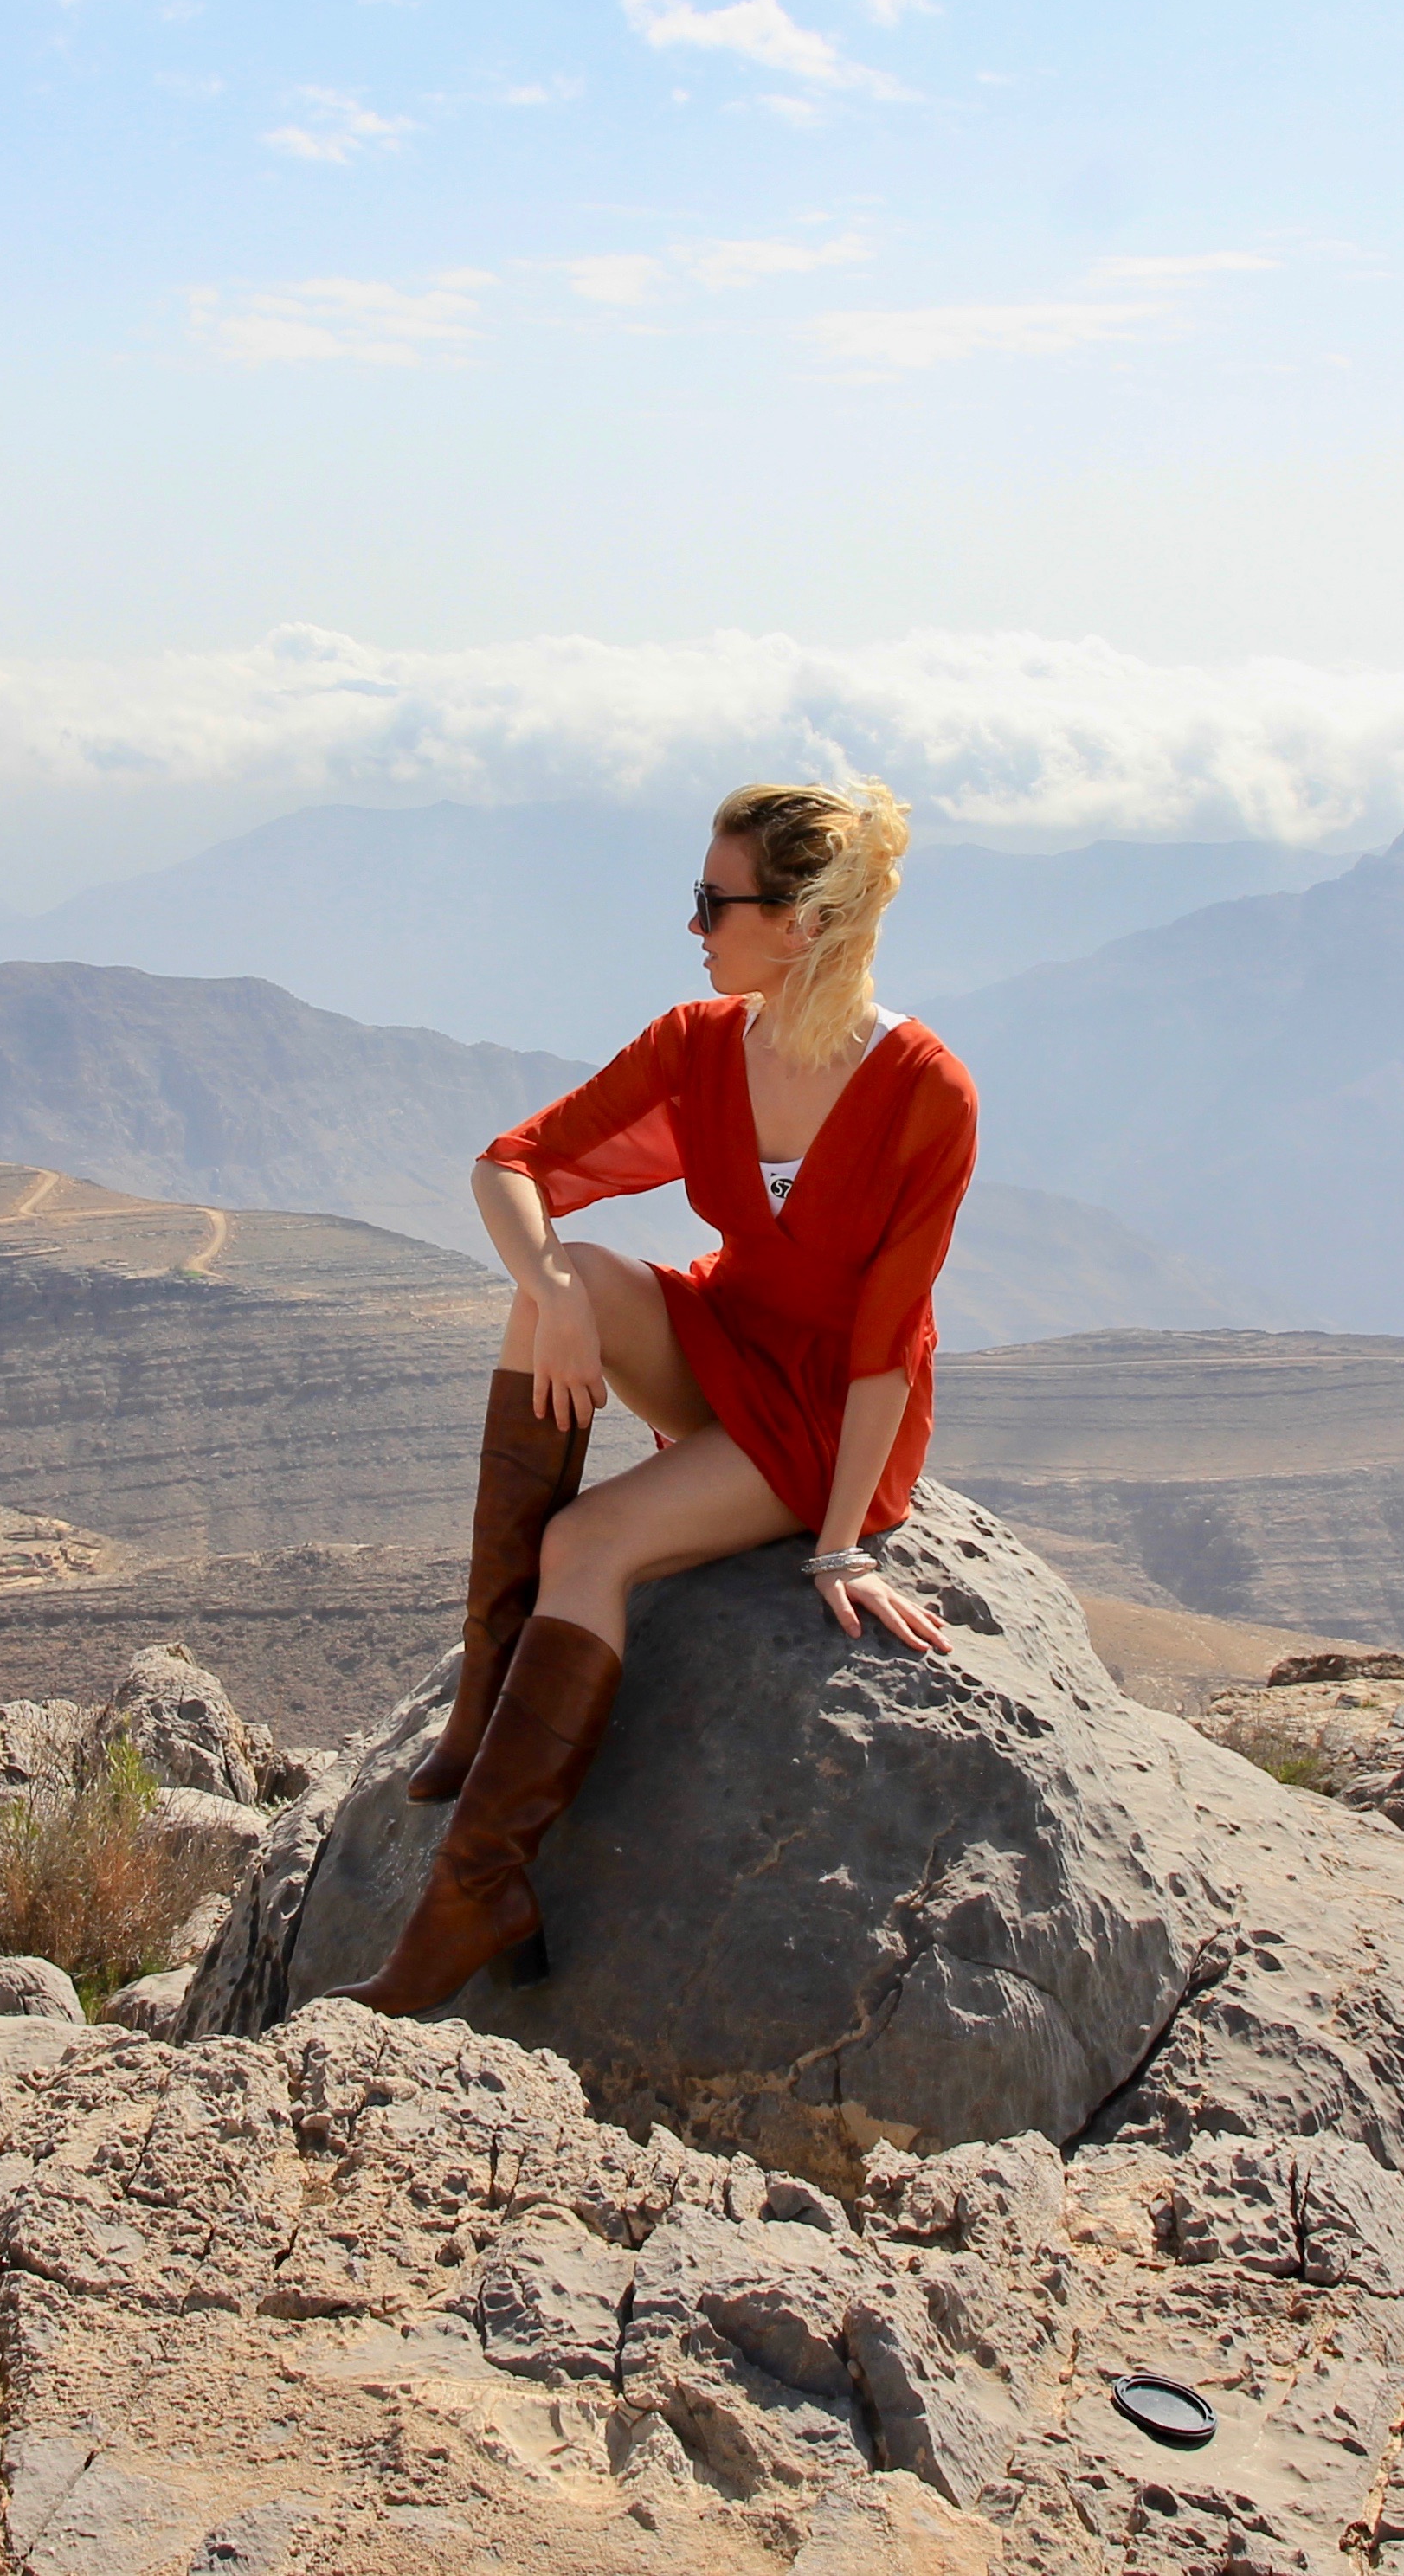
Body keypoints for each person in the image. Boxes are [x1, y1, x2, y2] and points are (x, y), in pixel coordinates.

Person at [343, 775, 978, 2018]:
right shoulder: (696, 1045)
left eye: (712, 901)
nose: (694, 928)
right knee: (556, 1277)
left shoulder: (922, 1090)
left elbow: (888, 1341)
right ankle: (489, 1683)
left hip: (827, 1411)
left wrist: (840, 1544)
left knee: (589, 1540)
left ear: (799, 925)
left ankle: (478, 1890)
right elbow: (509, 1163)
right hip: (721, 1334)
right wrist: (557, 1290)